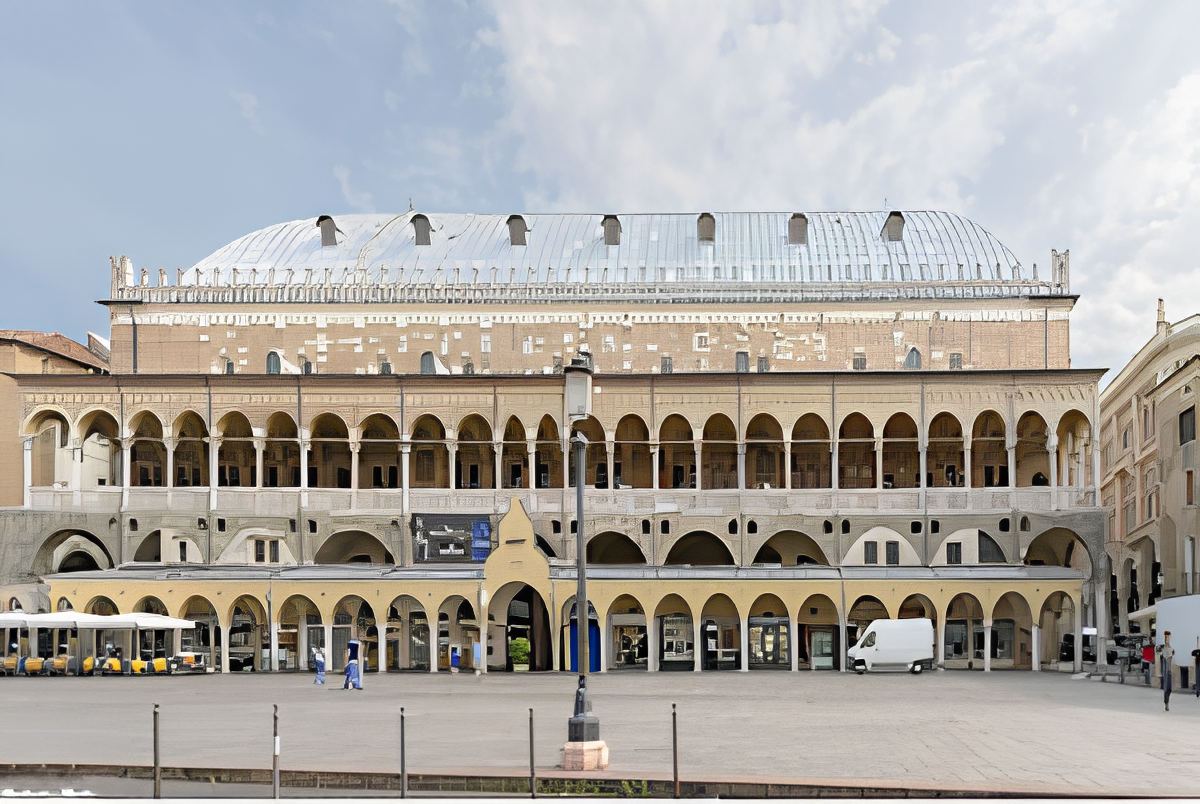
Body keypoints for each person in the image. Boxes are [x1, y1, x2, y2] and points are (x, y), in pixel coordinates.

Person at [1157, 630, 1175, 711]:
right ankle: (1166, 702)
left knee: (1169, 688)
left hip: (1171, 669)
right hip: (1166, 669)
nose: (1167, 639)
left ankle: (1166, 701)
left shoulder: (1171, 648)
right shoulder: (1162, 648)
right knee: (1166, 687)